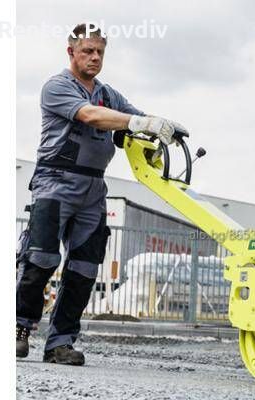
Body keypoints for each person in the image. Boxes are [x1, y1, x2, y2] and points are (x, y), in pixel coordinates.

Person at [15, 23, 186, 365]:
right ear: (71, 52)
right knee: (41, 259)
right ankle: (17, 329)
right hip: (55, 182)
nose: (94, 58)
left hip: (93, 189)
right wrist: (136, 124)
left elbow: (134, 117)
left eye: (100, 52)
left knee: (84, 269)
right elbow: (90, 116)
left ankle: (60, 343)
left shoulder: (108, 94)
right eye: (87, 51)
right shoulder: (58, 87)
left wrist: (161, 125)